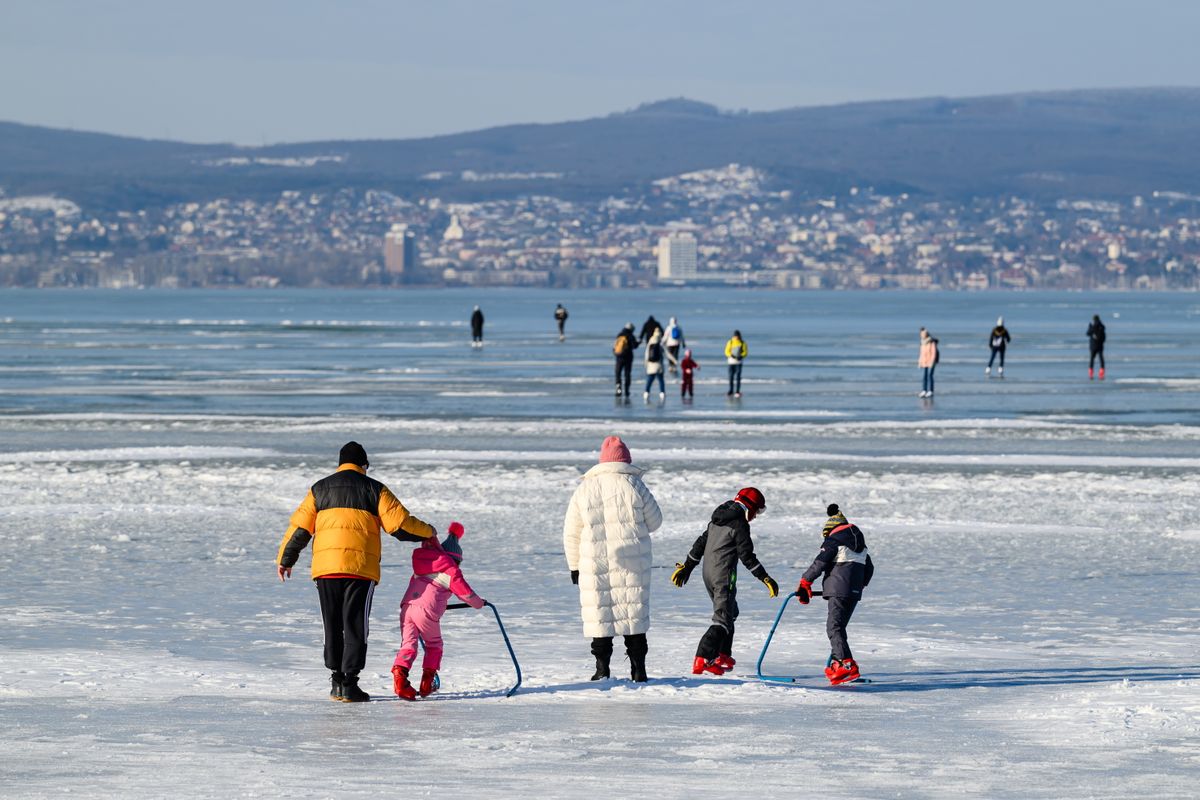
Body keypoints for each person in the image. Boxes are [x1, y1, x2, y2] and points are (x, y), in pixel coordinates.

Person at [276, 441, 437, 703]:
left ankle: (336, 683)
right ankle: (350, 684)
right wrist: (429, 532)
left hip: (326, 569)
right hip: (359, 569)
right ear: (364, 465)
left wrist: (286, 558)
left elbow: (300, 529)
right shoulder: (374, 488)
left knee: (332, 624)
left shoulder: (320, 488)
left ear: (340, 464)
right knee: (354, 625)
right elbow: (400, 525)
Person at [563, 436, 663, 682]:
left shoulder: (585, 489)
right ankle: (638, 669)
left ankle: (602, 670)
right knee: (634, 616)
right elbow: (655, 521)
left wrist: (574, 566)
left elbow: (571, 532)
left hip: (593, 564)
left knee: (600, 615)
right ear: (626, 461)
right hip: (632, 564)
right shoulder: (634, 485)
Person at [670, 487, 778, 676]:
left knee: (730, 612)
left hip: (708, 574)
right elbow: (747, 556)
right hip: (723, 576)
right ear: (750, 508)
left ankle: (721, 654)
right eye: (757, 512)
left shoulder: (718, 518)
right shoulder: (739, 524)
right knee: (722, 619)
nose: (756, 516)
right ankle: (703, 657)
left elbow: (700, 544)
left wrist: (687, 566)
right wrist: (765, 577)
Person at [391, 522, 485, 700]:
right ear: (454, 559)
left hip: (407, 607)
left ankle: (400, 680)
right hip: (426, 612)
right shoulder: (450, 571)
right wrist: (480, 604)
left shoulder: (423, 566)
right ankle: (427, 684)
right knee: (434, 645)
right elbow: (466, 594)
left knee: (408, 645)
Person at [795, 503, 874, 685]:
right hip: (853, 593)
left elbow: (820, 562)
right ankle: (842, 664)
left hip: (838, 590)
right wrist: (860, 585)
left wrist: (805, 582)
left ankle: (845, 665)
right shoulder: (861, 547)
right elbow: (869, 568)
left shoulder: (835, 540)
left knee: (834, 627)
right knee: (839, 628)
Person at [612, 323, 638, 399]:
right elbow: (634, 346)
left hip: (619, 357)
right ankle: (627, 390)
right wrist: (637, 343)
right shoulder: (630, 336)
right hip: (628, 358)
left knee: (618, 374)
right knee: (627, 374)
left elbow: (615, 347)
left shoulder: (619, 335)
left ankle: (618, 389)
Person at [643, 329, 666, 402]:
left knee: (650, 380)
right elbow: (665, 353)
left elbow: (646, 355)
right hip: (659, 365)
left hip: (651, 365)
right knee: (661, 380)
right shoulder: (659, 343)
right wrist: (674, 360)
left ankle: (646, 392)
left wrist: (646, 364)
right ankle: (662, 393)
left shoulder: (650, 342)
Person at [724, 330, 747, 397]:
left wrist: (741, 356)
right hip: (731, 362)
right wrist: (731, 355)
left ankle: (737, 391)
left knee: (738, 377)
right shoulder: (730, 342)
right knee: (731, 377)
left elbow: (745, 352)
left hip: (739, 362)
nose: (736, 337)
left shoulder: (742, 343)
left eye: (737, 336)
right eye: (735, 336)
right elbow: (726, 351)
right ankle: (730, 391)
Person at [918, 328, 939, 398]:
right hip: (924, 361)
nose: (922, 335)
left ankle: (931, 391)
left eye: (923, 334)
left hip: (931, 362)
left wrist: (932, 362)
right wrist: (919, 362)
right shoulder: (922, 342)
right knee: (925, 376)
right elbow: (921, 354)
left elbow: (934, 353)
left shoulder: (931, 342)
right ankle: (924, 390)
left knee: (930, 376)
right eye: (921, 334)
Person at [1087, 314, 1106, 380]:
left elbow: (1088, 333)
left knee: (1092, 359)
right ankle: (1101, 373)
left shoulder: (1093, 326)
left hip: (1093, 346)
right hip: (1100, 345)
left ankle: (1091, 373)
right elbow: (1104, 337)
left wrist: (1091, 327)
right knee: (1101, 359)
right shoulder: (1102, 326)